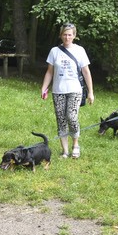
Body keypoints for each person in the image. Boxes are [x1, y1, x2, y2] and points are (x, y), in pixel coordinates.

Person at [40, 23, 95, 159]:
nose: (67, 37)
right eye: (64, 34)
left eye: (70, 34)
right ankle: (64, 151)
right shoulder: (54, 51)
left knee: (71, 117)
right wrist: (44, 88)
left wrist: (90, 92)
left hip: (75, 90)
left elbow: (86, 72)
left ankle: (75, 145)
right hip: (58, 91)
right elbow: (49, 72)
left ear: (74, 36)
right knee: (61, 120)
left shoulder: (80, 50)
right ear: (61, 35)